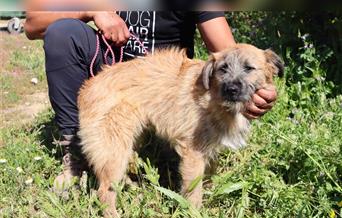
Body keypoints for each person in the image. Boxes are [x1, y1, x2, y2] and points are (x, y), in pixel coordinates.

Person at [24, 11, 277, 190]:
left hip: (166, 91)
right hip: (109, 73)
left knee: (181, 158)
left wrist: (259, 88)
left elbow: (229, 53)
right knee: (62, 32)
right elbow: (33, 24)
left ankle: (155, 152)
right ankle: (74, 152)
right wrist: (93, 8)